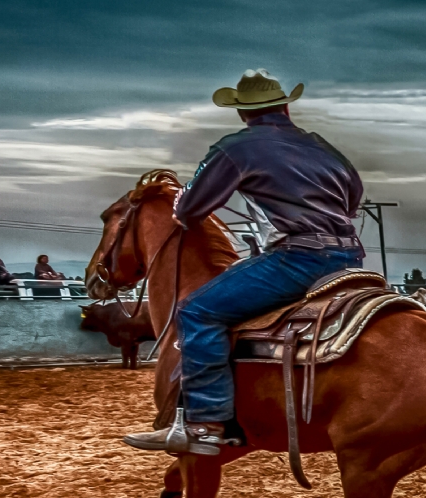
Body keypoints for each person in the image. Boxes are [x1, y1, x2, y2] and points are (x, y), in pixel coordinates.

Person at [124, 69, 365, 455]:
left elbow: (189, 210)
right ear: (286, 106)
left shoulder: (235, 149)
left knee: (197, 310)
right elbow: (352, 200)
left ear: (241, 113)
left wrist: (183, 200)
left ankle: (204, 425)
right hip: (350, 259)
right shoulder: (323, 147)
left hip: (297, 259)